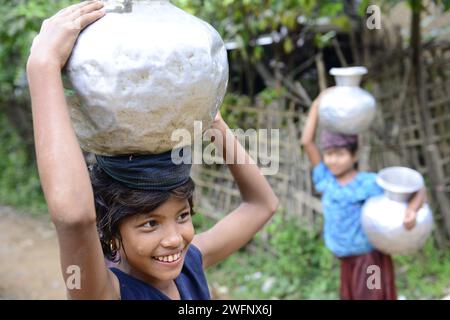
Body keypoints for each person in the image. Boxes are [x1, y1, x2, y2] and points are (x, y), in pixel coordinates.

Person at [27, 0, 278, 300]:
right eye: (150, 223)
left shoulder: (191, 265)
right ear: (112, 232)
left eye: (183, 216)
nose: (174, 239)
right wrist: (42, 66)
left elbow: (262, 205)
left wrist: (212, 120)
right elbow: (75, 219)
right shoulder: (102, 292)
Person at [300, 89, 427, 300]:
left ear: (354, 155)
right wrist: (316, 105)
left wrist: (411, 211)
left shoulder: (369, 183)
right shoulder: (326, 180)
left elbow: (417, 189)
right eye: (329, 154)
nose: (333, 160)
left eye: (340, 154)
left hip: (370, 260)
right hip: (347, 261)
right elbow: (307, 142)